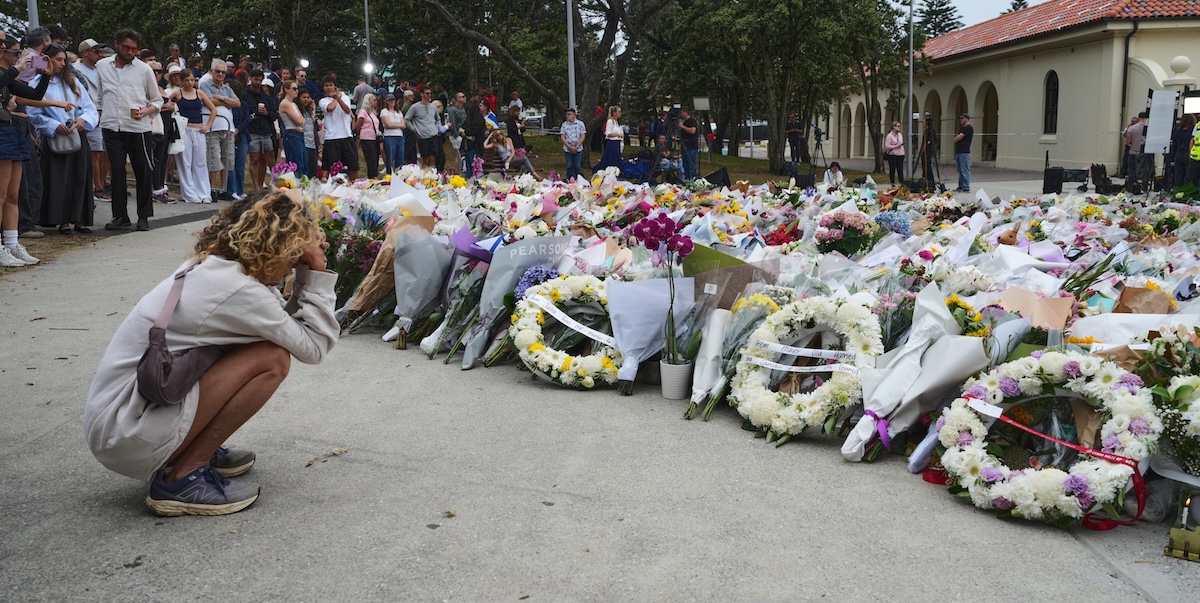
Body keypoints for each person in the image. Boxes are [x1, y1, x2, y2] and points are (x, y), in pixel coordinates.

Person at [84, 191, 338, 517]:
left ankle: (184, 448)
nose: (294, 261)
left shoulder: (216, 268)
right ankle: (183, 477)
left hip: (117, 421)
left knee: (262, 347)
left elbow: (281, 325)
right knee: (271, 359)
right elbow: (314, 347)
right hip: (126, 434)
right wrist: (316, 269)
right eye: (294, 253)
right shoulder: (239, 291)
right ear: (276, 245)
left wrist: (304, 273)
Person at [96, 28, 162, 232]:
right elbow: (99, 96)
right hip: (111, 125)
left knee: (142, 170)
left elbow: (157, 100)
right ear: (116, 44)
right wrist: (98, 115)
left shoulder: (144, 69)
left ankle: (143, 216)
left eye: (134, 49)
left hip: (137, 127)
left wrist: (146, 111)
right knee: (116, 171)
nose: (131, 52)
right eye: (127, 47)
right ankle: (120, 216)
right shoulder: (102, 66)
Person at [27, 44, 97, 234]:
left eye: (63, 60)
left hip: (76, 134)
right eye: (58, 59)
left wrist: (84, 120)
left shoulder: (72, 81)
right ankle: (62, 220)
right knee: (59, 178)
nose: (62, 63)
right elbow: (33, 112)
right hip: (56, 137)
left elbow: (89, 107)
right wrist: (51, 125)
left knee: (80, 176)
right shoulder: (38, 83)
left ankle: (80, 219)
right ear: (47, 59)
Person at [0, 31, 51, 265]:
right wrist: (18, 69)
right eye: (14, 51)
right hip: (2, 131)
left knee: (13, 194)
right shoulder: (9, 72)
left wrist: (46, 76)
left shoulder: (8, 74)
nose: (18, 55)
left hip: (11, 129)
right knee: (0, 195)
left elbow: (33, 94)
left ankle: (11, 243)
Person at [170, 69, 217, 203]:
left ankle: (203, 193)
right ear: (181, 81)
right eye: (187, 80)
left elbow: (213, 109)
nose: (190, 83)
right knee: (185, 162)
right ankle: (190, 194)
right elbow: (167, 104)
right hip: (185, 129)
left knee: (200, 162)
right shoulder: (177, 93)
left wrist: (207, 125)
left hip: (198, 130)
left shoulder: (199, 93)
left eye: (192, 80)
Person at [199, 58, 240, 201]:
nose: (221, 74)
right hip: (213, 127)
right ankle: (210, 189)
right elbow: (208, 101)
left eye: (223, 72)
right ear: (212, 71)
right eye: (218, 71)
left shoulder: (228, 88)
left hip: (228, 128)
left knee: (227, 160)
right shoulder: (204, 85)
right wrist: (225, 101)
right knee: (214, 159)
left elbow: (237, 103)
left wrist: (220, 97)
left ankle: (223, 189)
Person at [76, 39, 110, 203]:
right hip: (85, 112)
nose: (99, 54)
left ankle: (101, 185)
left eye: (100, 51)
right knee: (94, 152)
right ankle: (98, 187)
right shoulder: (75, 69)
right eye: (96, 51)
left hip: (102, 112)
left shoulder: (101, 69)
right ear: (85, 52)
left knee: (103, 151)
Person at [242, 70, 278, 191]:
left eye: (260, 80)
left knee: (265, 159)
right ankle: (256, 186)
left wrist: (267, 113)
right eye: (255, 79)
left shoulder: (266, 97)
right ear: (250, 78)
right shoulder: (245, 95)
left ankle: (261, 184)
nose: (258, 82)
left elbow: (274, 114)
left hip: (266, 131)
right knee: (254, 159)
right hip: (252, 130)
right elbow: (243, 113)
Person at [319, 75, 358, 179]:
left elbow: (347, 110)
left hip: (346, 135)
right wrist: (336, 98)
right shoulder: (323, 101)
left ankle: (353, 185)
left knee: (353, 165)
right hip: (332, 137)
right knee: (330, 167)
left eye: (331, 85)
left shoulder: (344, 97)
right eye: (326, 85)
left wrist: (338, 98)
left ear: (335, 86)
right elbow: (330, 108)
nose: (329, 88)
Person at [405, 86, 440, 168]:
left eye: (430, 93)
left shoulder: (433, 107)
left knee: (433, 157)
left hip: (433, 134)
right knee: (426, 158)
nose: (429, 95)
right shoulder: (415, 107)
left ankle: (432, 175)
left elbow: (438, 119)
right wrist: (414, 130)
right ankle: (425, 174)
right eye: (427, 93)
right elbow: (407, 119)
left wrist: (437, 128)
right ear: (421, 94)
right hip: (423, 136)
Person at [278, 79, 307, 177]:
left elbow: (302, 120)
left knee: (303, 163)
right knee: (296, 164)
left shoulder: (293, 104)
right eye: (294, 89)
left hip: (299, 135)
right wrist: (301, 121)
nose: (296, 91)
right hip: (292, 134)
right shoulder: (285, 103)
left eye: (297, 88)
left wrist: (301, 121)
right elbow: (299, 121)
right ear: (286, 89)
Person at [459, 101, 487, 177]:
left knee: (476, 167)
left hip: (476, 146)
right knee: (468, 167)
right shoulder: (468, 120)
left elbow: (471, 131)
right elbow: (461, 129)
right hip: (467, 146)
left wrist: (464, 132)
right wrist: (464, 131)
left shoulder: (479, 120)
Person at [356, 93, 381, 179]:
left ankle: (374, 173)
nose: (376, 102)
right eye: (374, 100)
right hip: (367, 137)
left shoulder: (373, 113)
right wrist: (360, 134)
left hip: (375, 137)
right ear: (368, 101)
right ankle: (373, 175)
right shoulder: (363, 112)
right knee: (371, 157)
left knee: (376, 156)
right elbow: (358, 124)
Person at [380, 94, 406, 173]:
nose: (392, 102)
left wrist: (393, 125)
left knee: (400, 157)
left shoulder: (399, 112)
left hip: (400, 136)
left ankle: (399, 174)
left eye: (393, 100)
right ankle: (390, 174)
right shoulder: (384, 111)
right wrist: (398, 125)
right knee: (390, 158)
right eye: (390, 100)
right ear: (386, 102)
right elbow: (388, 124)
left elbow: (404, 125)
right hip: (390, 136)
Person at [559, 107, 587, 181]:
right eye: (566, 114)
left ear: (574, 114)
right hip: (567, 149)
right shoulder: (564, 125)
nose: (567, 116)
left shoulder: (580, 124)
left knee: (577, 166)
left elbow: (583, 136)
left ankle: (578, 180)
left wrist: (577, 146)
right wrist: (569, 146)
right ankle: (570, 180)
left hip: (578, 148)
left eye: (569, 114)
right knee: (569, 165)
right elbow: (562, 136)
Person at [594, 105, 624, 172]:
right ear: (614, 113)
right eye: (619, 112)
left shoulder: (616, 122)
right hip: (612, 143)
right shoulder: (610, 121)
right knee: (611, 160)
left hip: (617, 143)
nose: (620, 113)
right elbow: (608, 133)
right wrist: (618, 134)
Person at [297, 88, 318, 178]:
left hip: (312, 143)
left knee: (313, 169)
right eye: (303, 97)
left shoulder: (309, 111)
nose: (306, 99)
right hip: (303, 142)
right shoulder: (297, 110)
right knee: (305, 168)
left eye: (308, 97)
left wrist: (313, 110)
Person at [1169, 115, 1195, 187]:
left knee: (1178, 175)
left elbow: (1174, 146)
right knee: (1188, 175)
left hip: (1178, 154)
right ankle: (1186, 191)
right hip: (1188, 154)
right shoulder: (1192, 131)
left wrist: (1172, 158)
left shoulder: (1177, 131)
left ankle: (1177, 191)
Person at [446, 91, 466, 172]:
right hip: (456, 135)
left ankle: (460, 170)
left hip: (463, 134)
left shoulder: (463, 109)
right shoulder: (453, 110)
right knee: (458, 155)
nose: (465, 98)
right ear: (457, 99)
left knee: (462, 155)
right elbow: (452, 124)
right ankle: (457, 172)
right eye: (462, 96)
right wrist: (456, 135)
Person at [678, 106, 699, 181]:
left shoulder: (692, 121)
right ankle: (687, 180)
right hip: (684, 148)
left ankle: (693, 180)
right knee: (685, 166)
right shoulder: (685, 122)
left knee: (691, 166)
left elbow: (693, 131)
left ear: (685, 112)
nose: (680, 114)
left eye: (681, 112)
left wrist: (682, 126)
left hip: (691, 147)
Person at [953, 113, 973, 193]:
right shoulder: (962, 128)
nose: (961, 120)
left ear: (967, 119)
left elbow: (958, 137)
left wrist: (956, 138)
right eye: (960, 118)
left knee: (965, 170)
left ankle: (966, 187)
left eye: (962, 118)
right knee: (960, 170)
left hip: (964, 152)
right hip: (959, 152)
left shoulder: (968, 128)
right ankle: (960, 186)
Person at [883, 120, 905, 186]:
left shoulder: (900, 135)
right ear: (893, 127)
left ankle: (902, 183)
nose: (899, 127)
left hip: (900, 154)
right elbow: (887, 146)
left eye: (899, 126)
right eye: (897, 126)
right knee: (892, 169)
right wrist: (896, 146)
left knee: (900, 170)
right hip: (892, 155)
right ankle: (892, 183)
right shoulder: (889, 136)